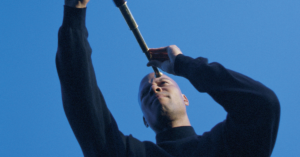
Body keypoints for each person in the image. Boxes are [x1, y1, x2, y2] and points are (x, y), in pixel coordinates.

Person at [56, 0, 280, 156]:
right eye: (145, 93)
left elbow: (262, 104)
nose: (154, 89)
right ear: (145, 119)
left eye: (162, 83)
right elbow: (82, 101)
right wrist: (75, 12)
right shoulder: (127, 153)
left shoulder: (227, 146)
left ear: (185, 98)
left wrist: (184, 64)